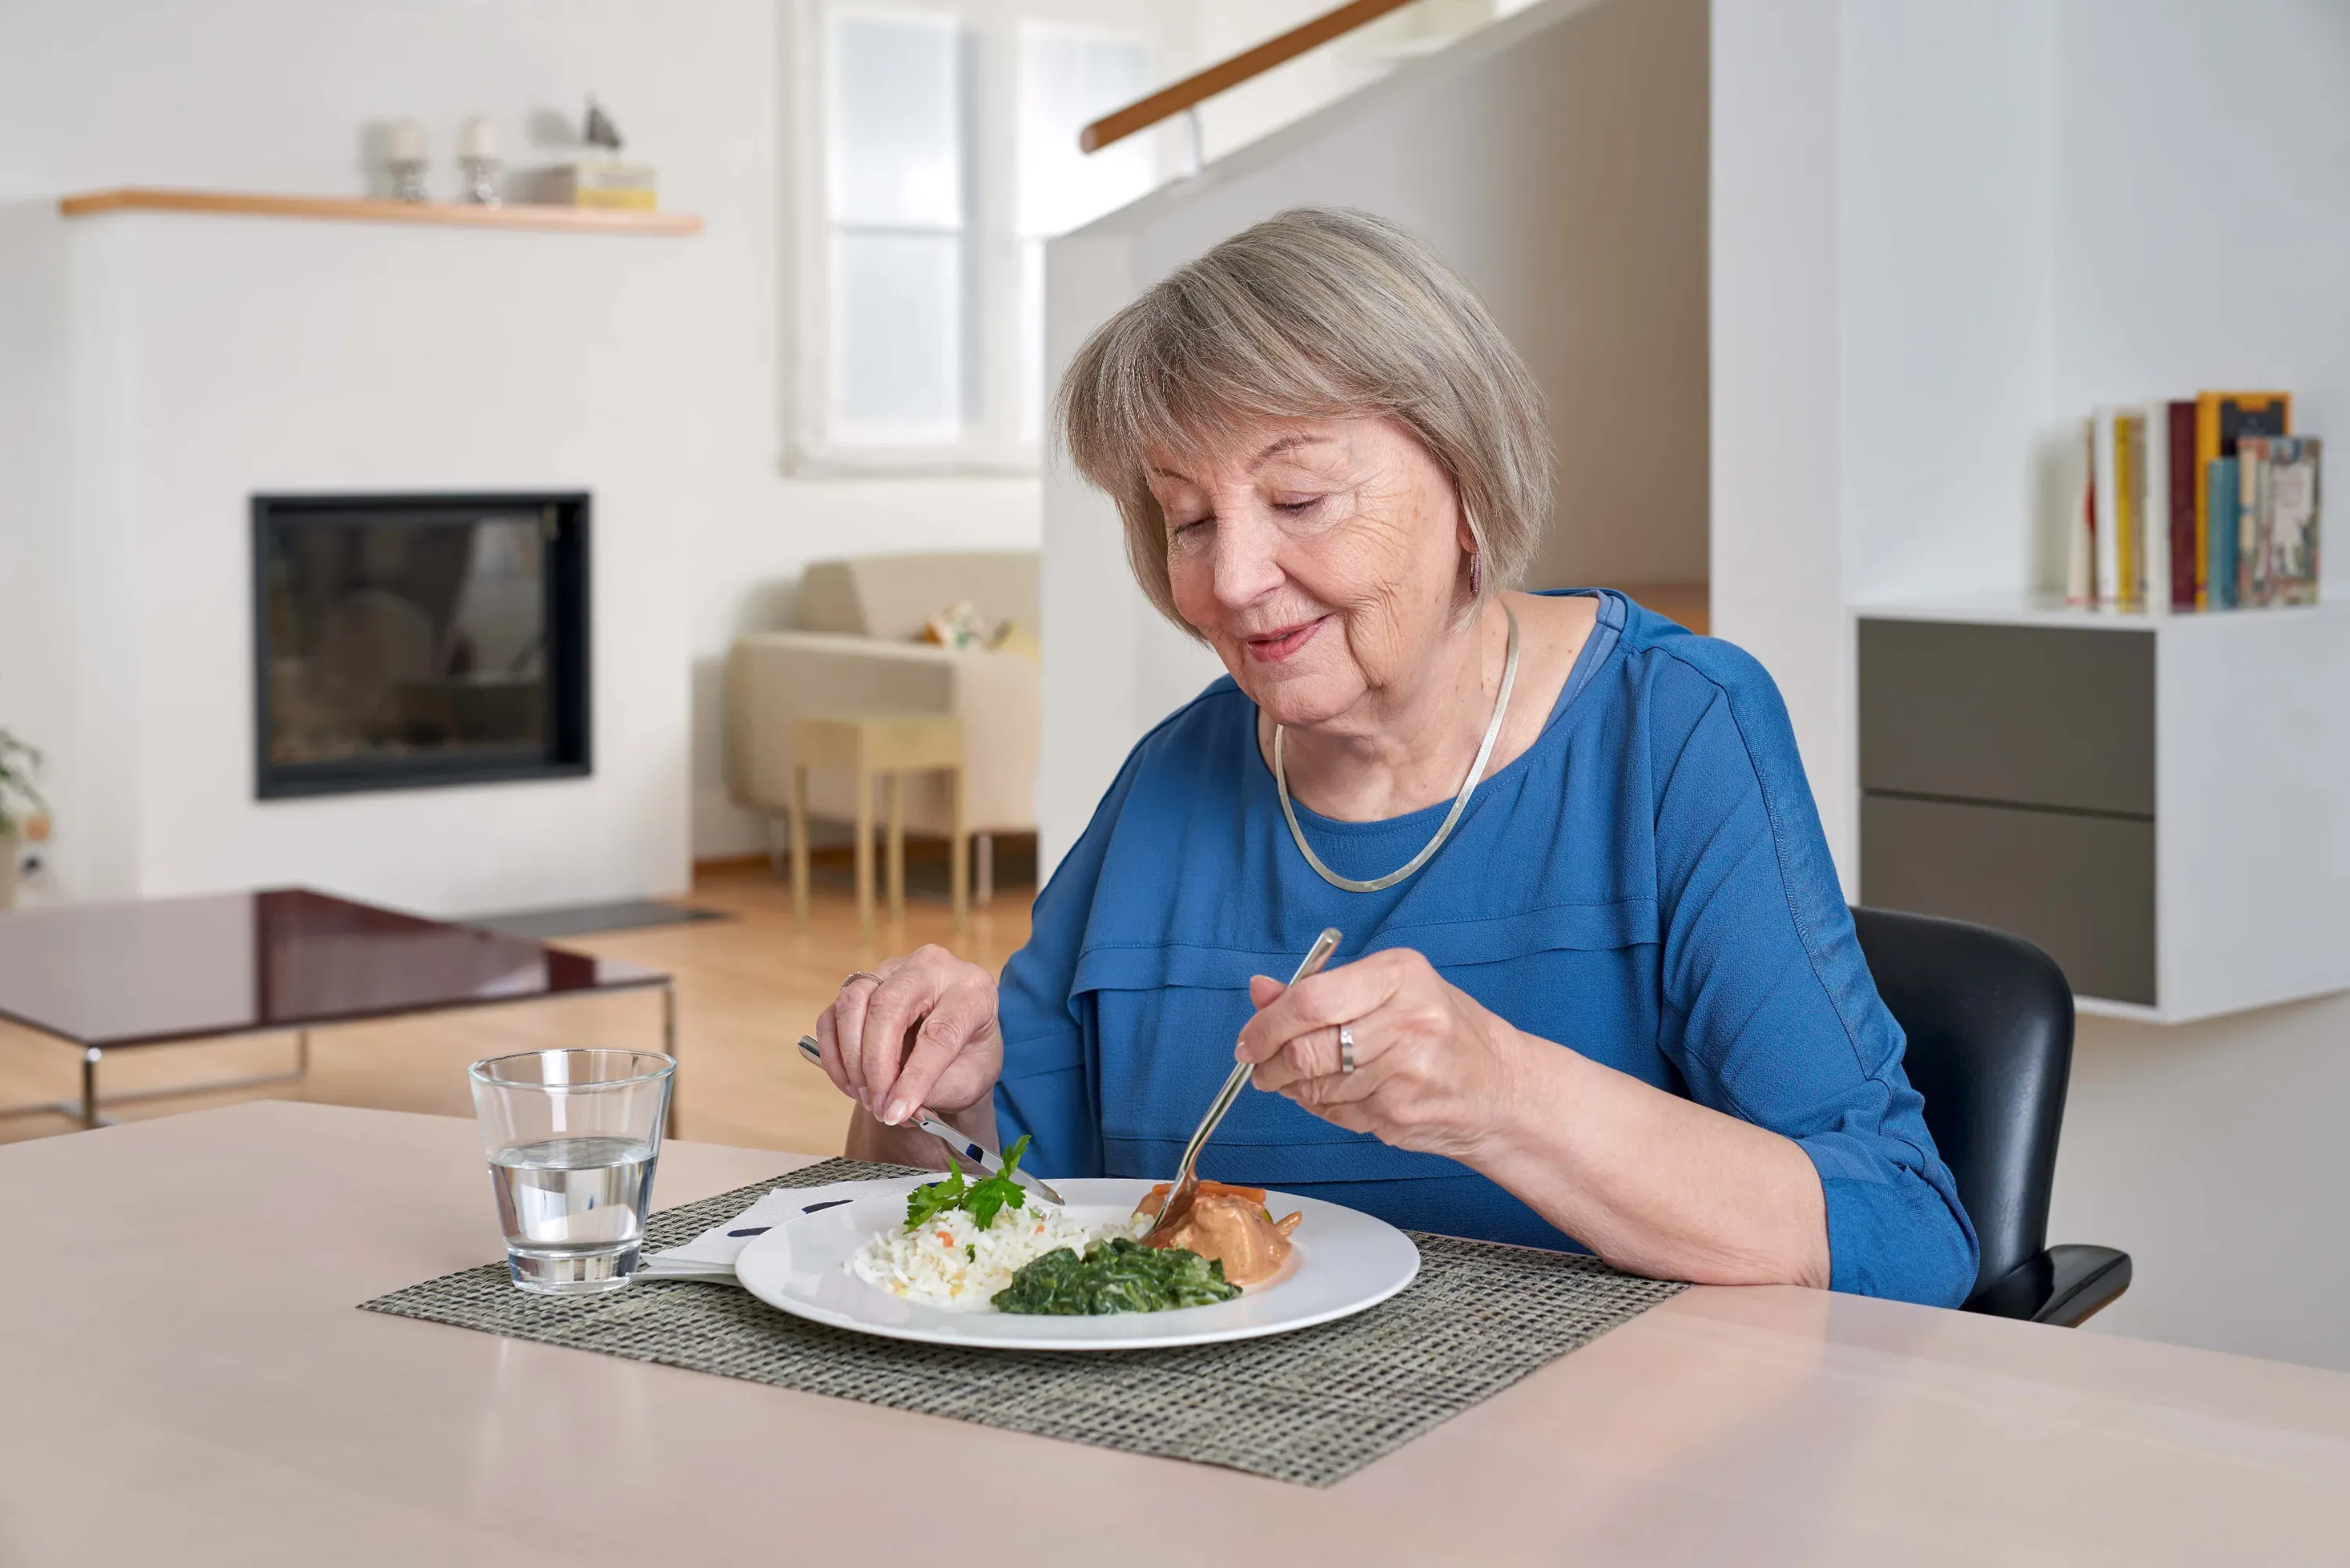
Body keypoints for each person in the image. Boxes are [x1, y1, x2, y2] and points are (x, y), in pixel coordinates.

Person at [810, 207, 1977, 1305]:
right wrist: (930, 1091)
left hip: (1597, 1443)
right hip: (1208, 1448)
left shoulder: (1675, 732)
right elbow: (986, 1207)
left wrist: (1505, 1095)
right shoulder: (1168, 782)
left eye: (1300, 498)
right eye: (1190, 521)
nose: (1232, 579)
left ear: (1466, 481)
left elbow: (1903, 1236)